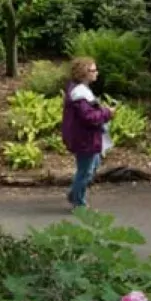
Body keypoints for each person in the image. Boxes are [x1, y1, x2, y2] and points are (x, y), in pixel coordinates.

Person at [61, 56, 112, 209]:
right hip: (84, 138)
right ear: (84, 73)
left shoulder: (80, 91)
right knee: (85, 172)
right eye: (93, 70)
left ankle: (74, 193)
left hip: (87, 137)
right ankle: (78, 202)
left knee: (93, 164)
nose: (96, 72)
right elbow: (89, 117)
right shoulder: (80, 95)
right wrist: (107, 113)